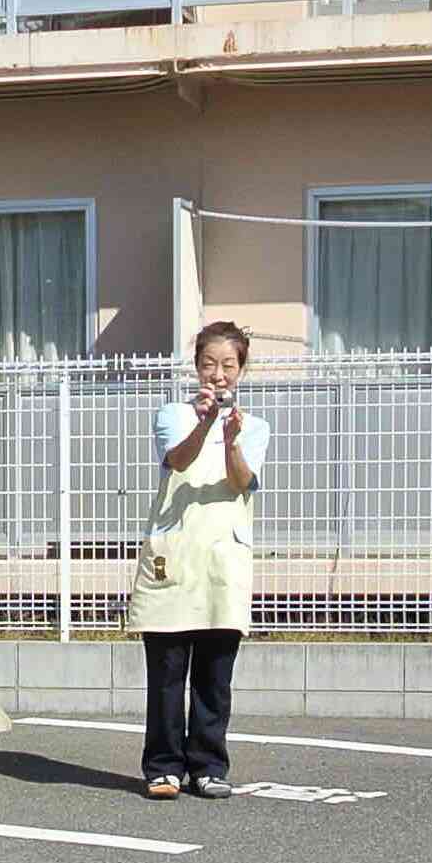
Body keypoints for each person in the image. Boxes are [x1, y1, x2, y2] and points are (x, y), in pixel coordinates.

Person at [127, 321, 270, 800]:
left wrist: (231, 438)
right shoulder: (172, 413)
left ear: (242, 369)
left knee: (215, 673)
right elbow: (180, 461)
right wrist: (206, 422)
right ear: (196, 367)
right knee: (167, 671)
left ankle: (209, 765)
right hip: (175, 554)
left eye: (229, 365)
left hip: (223, 558)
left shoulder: (256, 427)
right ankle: (163, 767)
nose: (218, 374)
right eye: (209, 364)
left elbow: (241, 481)